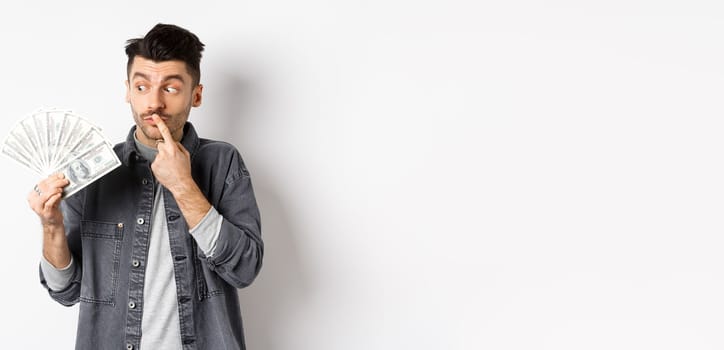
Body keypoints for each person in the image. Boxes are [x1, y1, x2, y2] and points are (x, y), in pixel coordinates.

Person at [27, 23, 263, 350]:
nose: (153, 103)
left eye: (170, 88)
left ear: (196, 95)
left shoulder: (222, 163)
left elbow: (245, 268)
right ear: (127, 90)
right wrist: (51, 226)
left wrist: (184, 186)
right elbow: (65, 291)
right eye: (142, 87)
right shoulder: (94, 172)